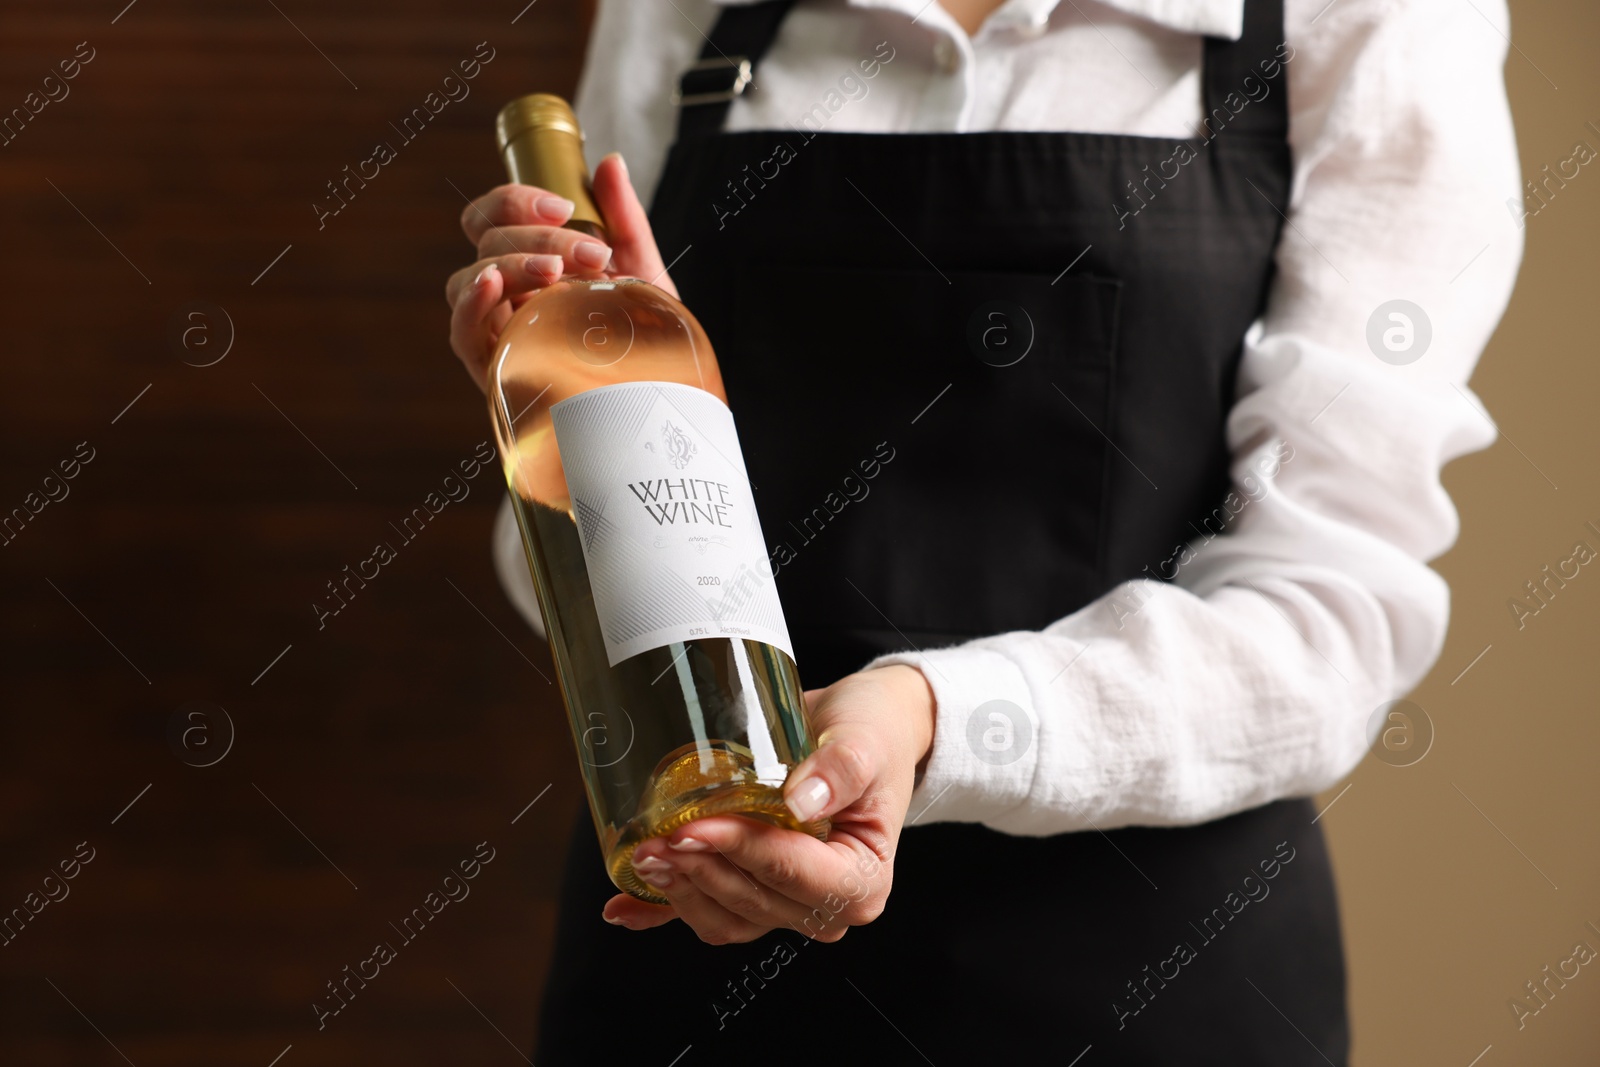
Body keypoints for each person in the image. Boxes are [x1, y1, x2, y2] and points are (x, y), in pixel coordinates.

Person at [443, 0, 1521, 1060]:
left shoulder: (1375, 19)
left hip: (1145, 983)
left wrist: (929, 715)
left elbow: (1331, 613)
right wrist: (565, 428)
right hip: (699, 927)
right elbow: (538, 566)